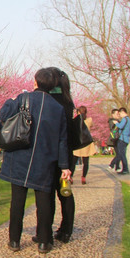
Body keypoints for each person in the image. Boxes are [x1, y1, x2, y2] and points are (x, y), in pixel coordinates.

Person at [0, 68, 71, 254]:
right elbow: (62, 139)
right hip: (45, 159)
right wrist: (64, 166)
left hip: (20, 157)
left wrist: (13, 99)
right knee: (44, 202)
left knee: (18, 201)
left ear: (36, 82)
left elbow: (3, 115)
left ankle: (14, 240)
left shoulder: (23, 99)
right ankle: (44, 242)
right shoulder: (58, 108)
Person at [47, 67, 77, 244]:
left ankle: (46, 230)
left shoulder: (49, 99)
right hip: (67, 153)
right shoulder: (67, 100)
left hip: (52, 152)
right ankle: (66, 230)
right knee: (65, 192)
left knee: (48, 192)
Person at [73, 106, 97, 184]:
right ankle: (83, 177)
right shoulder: (89, 120)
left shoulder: (76, 121)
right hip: (86, 143)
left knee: (73, 162)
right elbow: (92, 126)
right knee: (86, 162)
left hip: (78, 143)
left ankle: (70, 177)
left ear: (78, 112)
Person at [114, 107, 130, 175]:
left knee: (122, 155)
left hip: (123, 139)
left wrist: (116, 123)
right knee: (122, 154)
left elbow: (121, 126)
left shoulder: (125, 119)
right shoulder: (128, 119)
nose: (119, 115)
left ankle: (125, 169)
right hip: (126, 139)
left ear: (123, 112)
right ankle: (124, 169)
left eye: (120, 113)